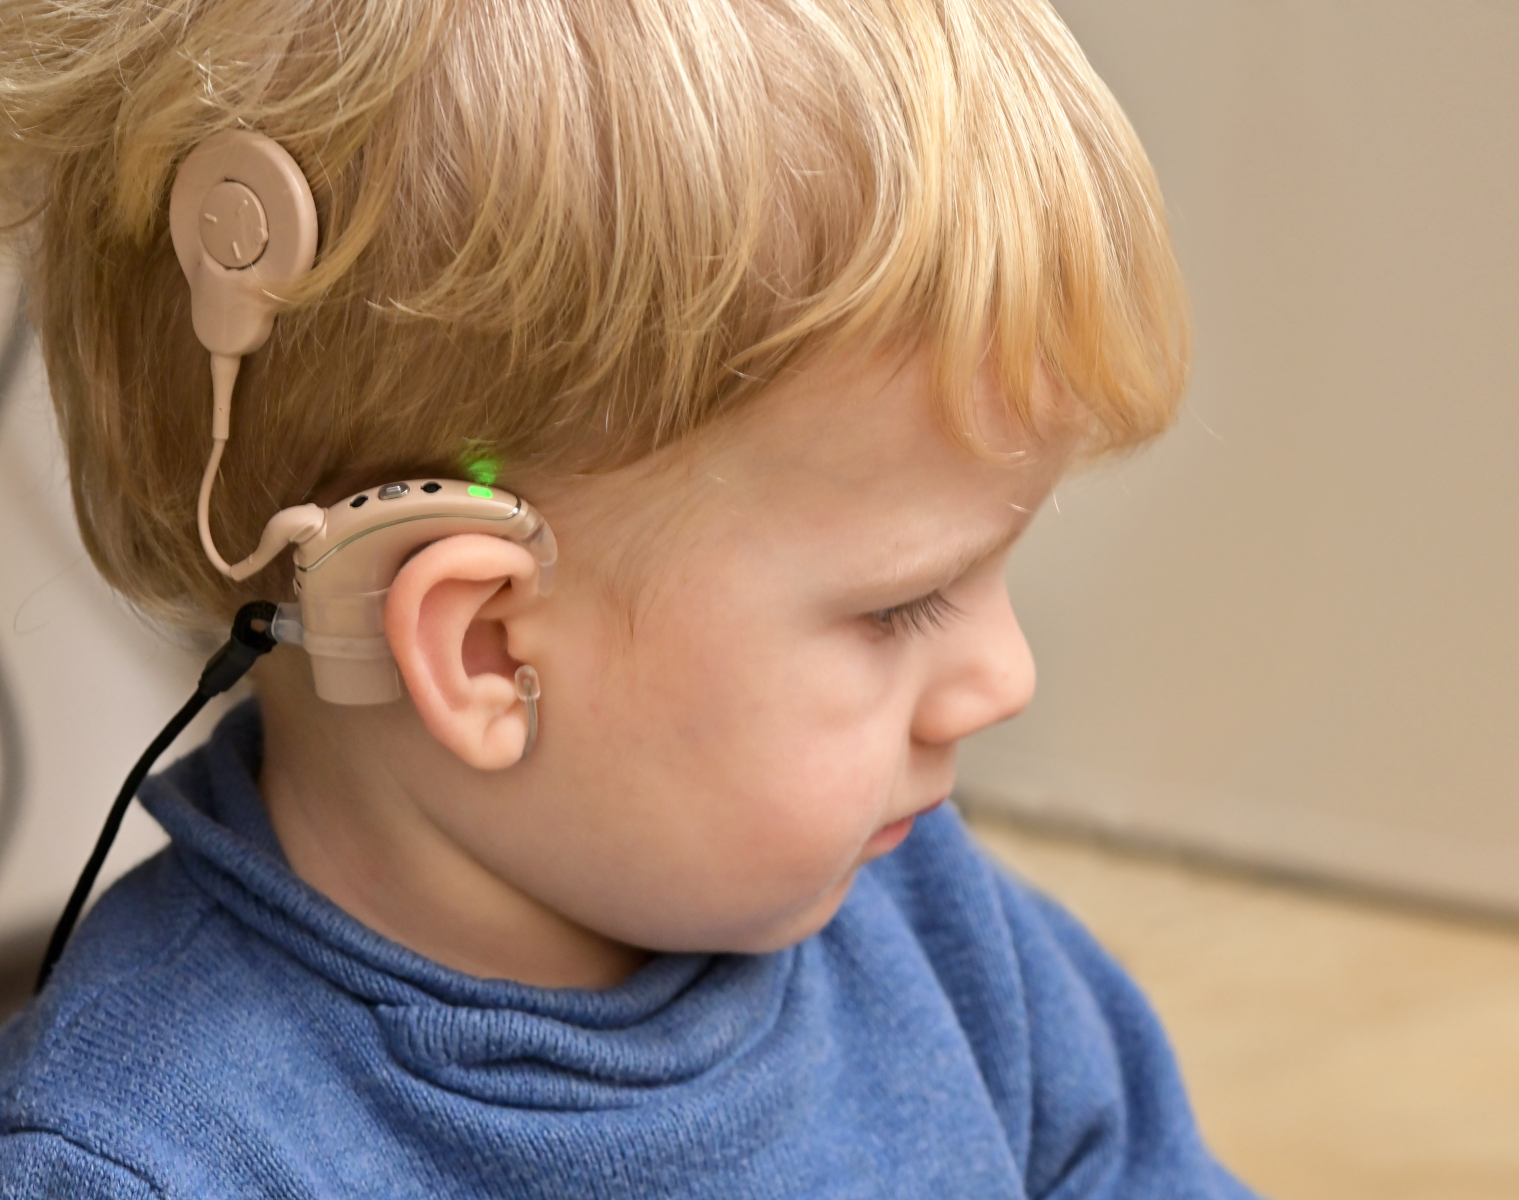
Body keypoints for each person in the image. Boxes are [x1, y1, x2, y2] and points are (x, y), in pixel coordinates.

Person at [0, 0, 1259, 1195]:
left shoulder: (941, 940)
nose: (1005, 678)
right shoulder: (150, 1160)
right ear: (488, 648)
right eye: (902, 606)